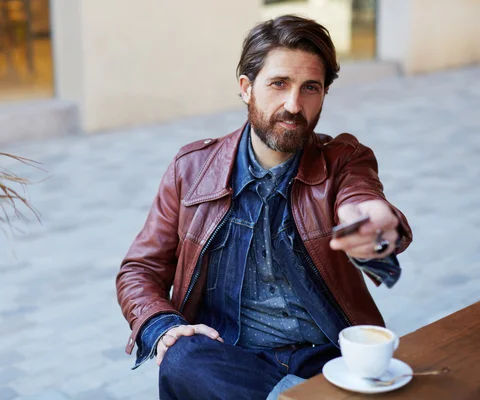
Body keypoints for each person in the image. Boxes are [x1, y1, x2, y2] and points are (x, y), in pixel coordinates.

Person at [116, 15, 412, 400]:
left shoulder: (343, 160)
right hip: (229, 356)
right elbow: (139, 269)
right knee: (179, 353)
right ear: (246, 88)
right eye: (279, 84)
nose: (294, 104)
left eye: (310, 88)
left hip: (324, 356)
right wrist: (160, 325)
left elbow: (362, 201)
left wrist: (374, 231)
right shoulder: (191, 170)